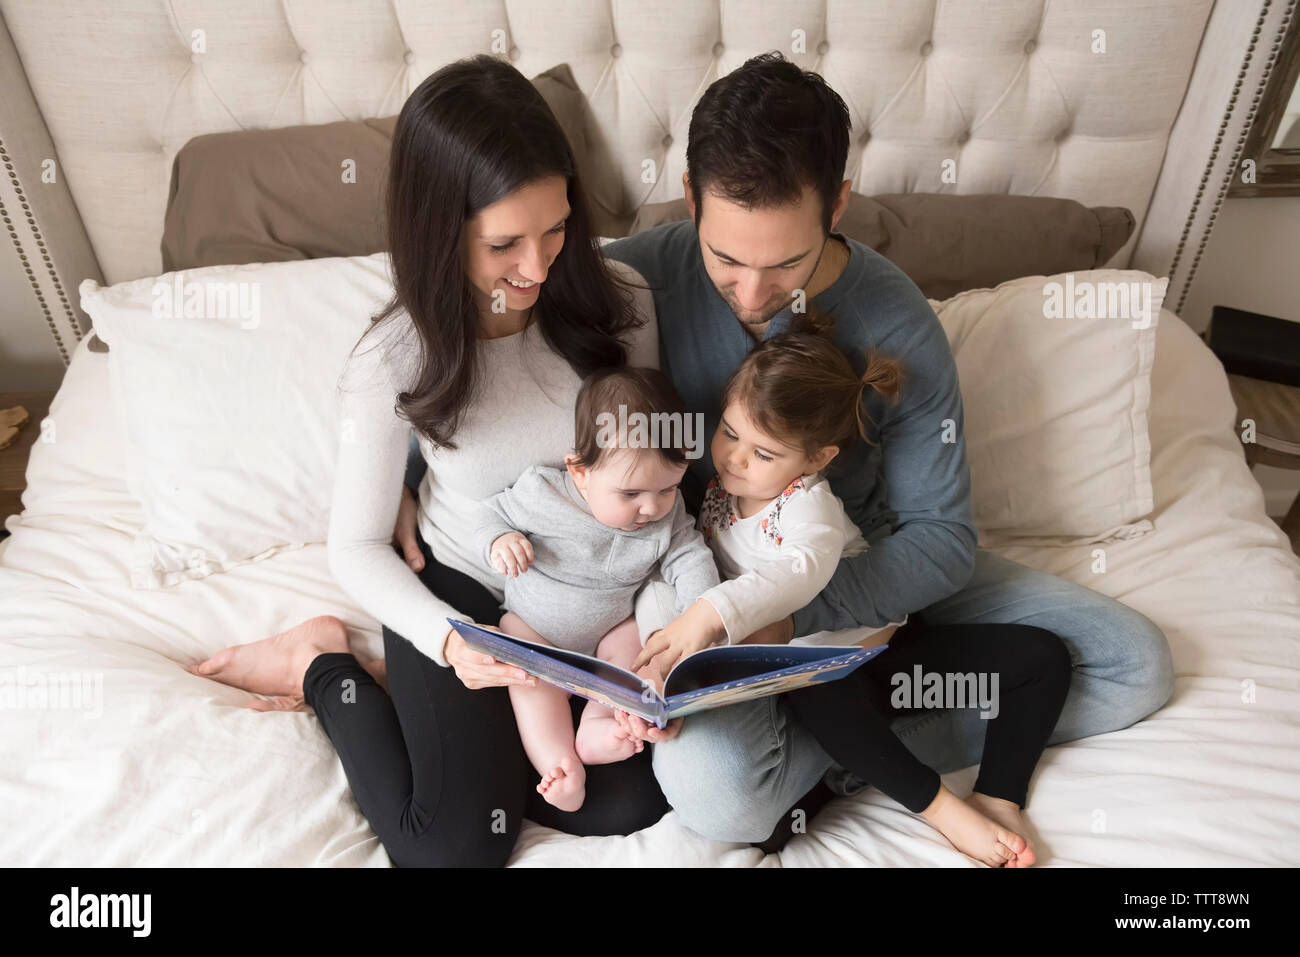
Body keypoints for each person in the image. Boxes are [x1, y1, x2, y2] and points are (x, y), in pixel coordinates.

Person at [404, 51, 1174, 848]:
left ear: (837, 203)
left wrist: (791, 610)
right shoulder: (631, 283)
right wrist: (409, 478)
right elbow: (497, 383)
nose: (750, 293)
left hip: (855, 562)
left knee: (1133, 663)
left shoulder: (900, 321)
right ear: (694, 201)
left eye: (784, 265)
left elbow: (940, 540)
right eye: (727, 259)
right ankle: (853, 732)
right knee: (721, 801)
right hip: (712, 572)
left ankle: (846, 734)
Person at [187, 54, 676, 866]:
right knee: (453, 849)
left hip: (593, 593)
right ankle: (323, 664)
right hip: (467, 588)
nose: (538, 266)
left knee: (631, 795)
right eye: (504, 244)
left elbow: (653, 472)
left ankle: (469, 725)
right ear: (439, 230)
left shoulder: (622, 305)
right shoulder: (393, 360)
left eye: (556, 228)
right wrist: (447, 641)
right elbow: (357, 543)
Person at [628, 328, 1072, 866]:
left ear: (817, 459)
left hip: (870, 659)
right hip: (805, 678)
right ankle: (855, 780)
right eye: (728, 432)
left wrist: (711, 613)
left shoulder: (809, 511)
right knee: (810, 679)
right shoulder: (724, 487)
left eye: (764, 453)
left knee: (1043, 657)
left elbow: (800, 573)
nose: (735, 458)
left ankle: (990, 799)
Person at [473, 367, 719, 811]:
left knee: (633, 648)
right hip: (536, 629)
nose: (651, 507)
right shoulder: (542, 492)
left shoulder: (667, 514)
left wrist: (704, 608)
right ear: (580, 472)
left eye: (668, 488)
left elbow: (690, 555)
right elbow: (487, 516)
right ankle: (560, 765)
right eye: (630, 494)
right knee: (529, 683)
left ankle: (600, 725)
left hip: (609, 630)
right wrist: (499, 540)